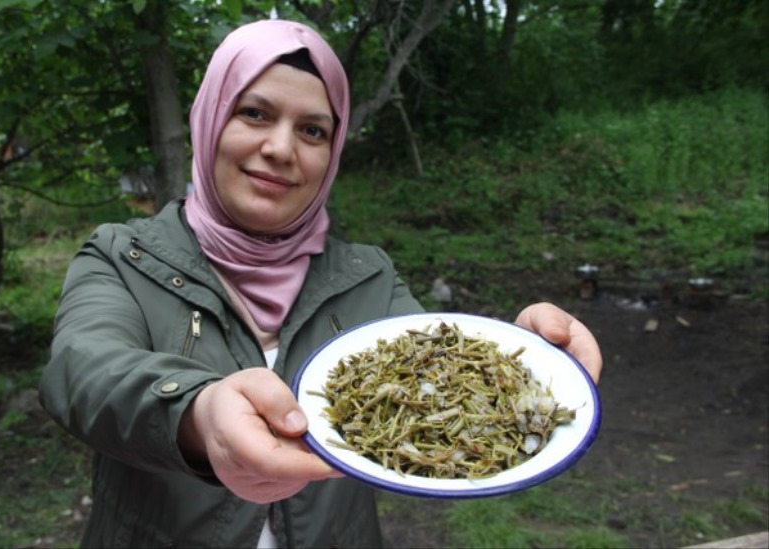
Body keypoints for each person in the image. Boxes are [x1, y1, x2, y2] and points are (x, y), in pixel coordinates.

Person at [39, 19, 602, 549]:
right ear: (209, 120)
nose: (282, 149)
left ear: (331, 154)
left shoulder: (368, 276)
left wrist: (525, 359)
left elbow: (438, 370)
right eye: (255, 114)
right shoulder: (122, 255)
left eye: (312, 130)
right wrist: (197, 412)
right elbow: (82, 370)